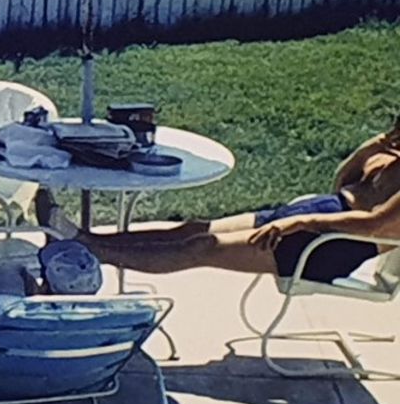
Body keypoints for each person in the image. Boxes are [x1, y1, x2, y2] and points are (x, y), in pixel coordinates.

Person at [33, 119, 400, 284]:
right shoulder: (392, 159)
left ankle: (85, 253)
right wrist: (378, 143)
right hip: (318, 214)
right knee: (194, 228)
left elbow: (376, 225)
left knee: (202, 246)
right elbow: (344, 184)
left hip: (332, 245)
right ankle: (83, 240)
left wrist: (299, 223)